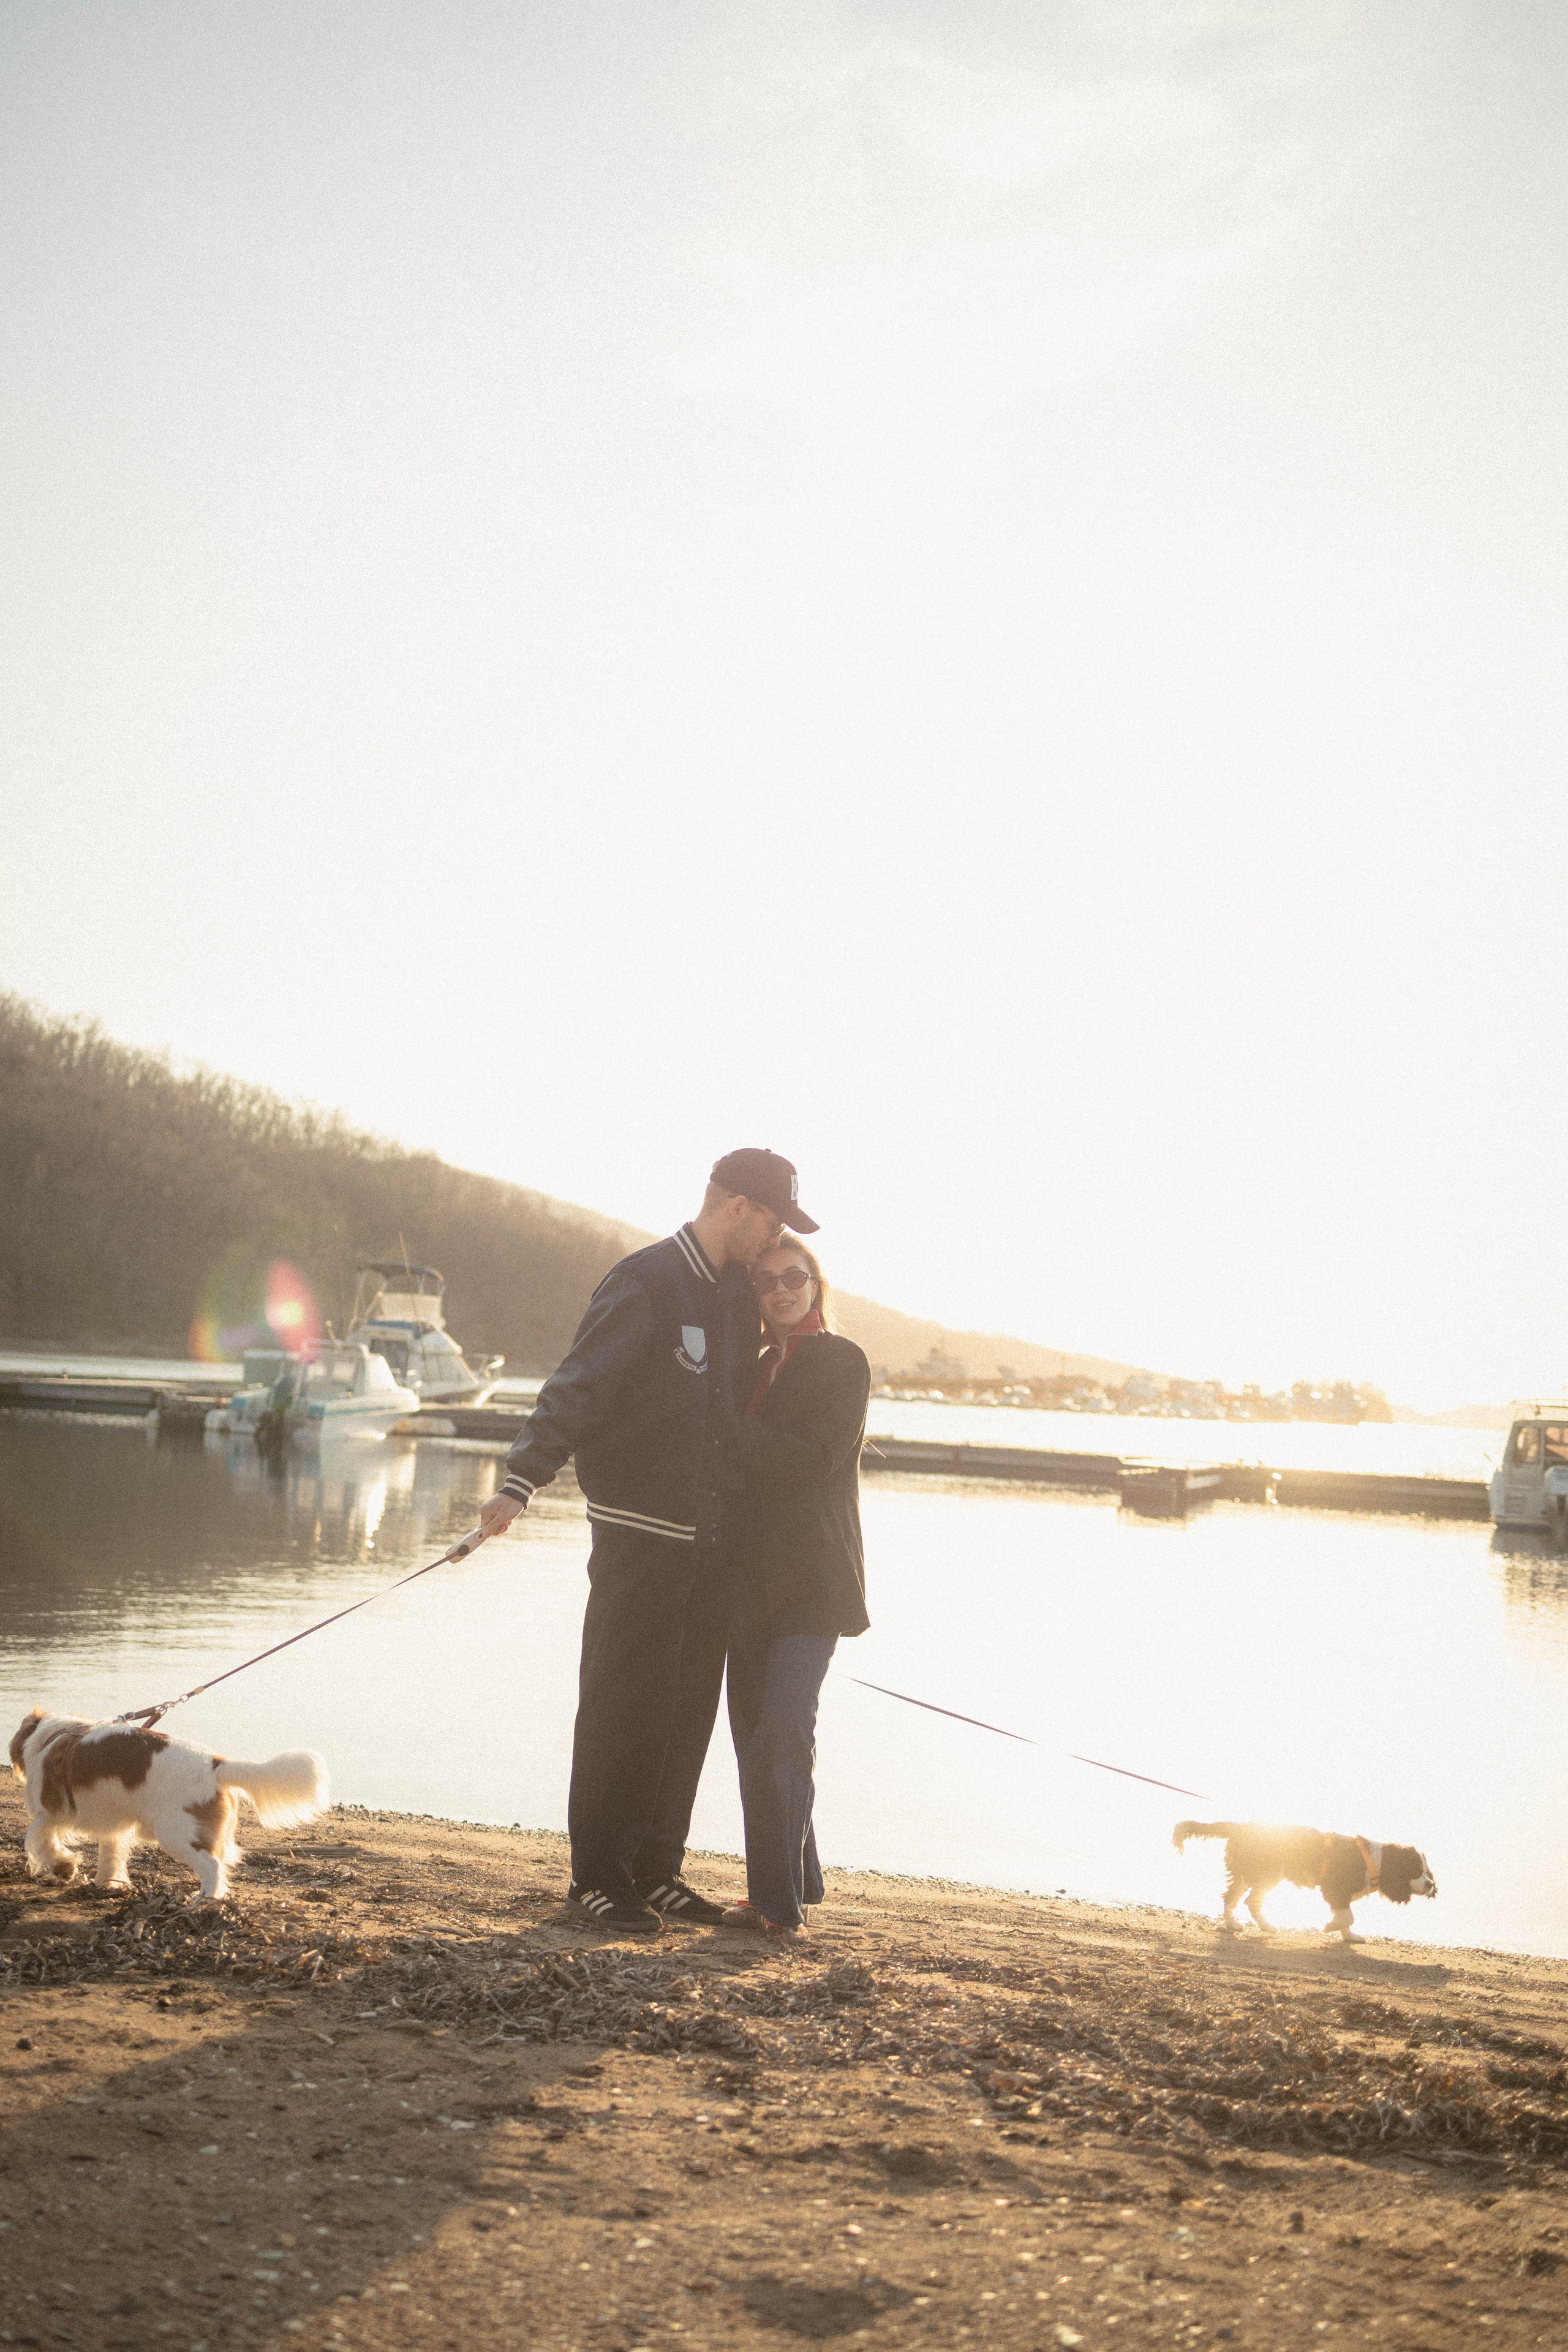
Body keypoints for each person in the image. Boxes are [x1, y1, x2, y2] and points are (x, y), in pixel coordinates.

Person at [473, 1148, 818, 1936]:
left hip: (709, 1544)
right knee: (619, 1707)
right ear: (737, 1208)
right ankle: (596, 1877)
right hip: (638, 1536)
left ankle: (656, 1870)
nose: (773, 1241)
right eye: (769, 1220)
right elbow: (578, 1385)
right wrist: (521, 1480)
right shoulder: (648, 1280)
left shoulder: (733, 1299)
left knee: (684, 1710)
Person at [718, 1234, 870, 1939]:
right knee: (756, 1733)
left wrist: (722, 1432)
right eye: (766, 1281)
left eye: (793, 1277)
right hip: (745, 1580)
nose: (780, 1289)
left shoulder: (842, 1362)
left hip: (813, 1579)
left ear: (815, 1285)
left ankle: (778, 1906)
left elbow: (813, 1461)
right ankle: (796, 1873)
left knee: (783, 1724)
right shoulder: (747, 1368)